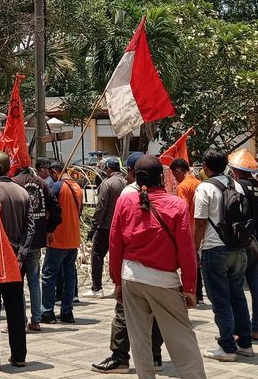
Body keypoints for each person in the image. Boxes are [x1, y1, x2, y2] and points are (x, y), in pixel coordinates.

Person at [109, 155, 206, 379]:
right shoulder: (176, 204)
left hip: (131, 277)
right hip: (164, 280)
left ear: (134, 176)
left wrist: (117, 281)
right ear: (162, 177)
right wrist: (190, 287)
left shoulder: (125, 201)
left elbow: (115, 244)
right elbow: (186, 250)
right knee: (182, 340)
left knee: (139, 341)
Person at [92, 152, 163, 375]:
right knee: (155, 313)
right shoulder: (168, 197)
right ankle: (155, 355)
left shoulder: (126, 194)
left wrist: (116, 278)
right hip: (161, 269)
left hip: (132, 269)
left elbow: (117, 237)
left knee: (123, 313)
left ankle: (119, 357)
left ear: (132, 173)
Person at [193, 149, 253, 362]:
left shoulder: (205, 187)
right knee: (237, 295)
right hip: (238, 247)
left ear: (206, 166)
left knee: (220, 299)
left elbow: (200, 221)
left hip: (214, 248)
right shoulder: (237, 185)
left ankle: (227, 346)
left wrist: (193, 248)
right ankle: (245, 342)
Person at [0, 152, 32, 369]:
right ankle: (19, 356)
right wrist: (22, 254)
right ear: (8, 168)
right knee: (15, 309)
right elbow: (30, 229)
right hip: (16, 259)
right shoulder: (23, 193)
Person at [227, 148, 258, 342]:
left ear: (236, 169)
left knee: (236, 286)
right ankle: (256, 329)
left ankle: (238, 328)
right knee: (256, 284)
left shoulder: (238, 186)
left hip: (244, 240)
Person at [13, 157, 58, 332]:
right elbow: (56, 208)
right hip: (37, 240)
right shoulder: (42, 183)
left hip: (19, 242)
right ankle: (36, 320)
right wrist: (49, 229)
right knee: (34, 280)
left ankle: (20, 320)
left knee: (18, 283)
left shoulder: (15, 184)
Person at [41, 160, 81, 324]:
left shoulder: (57, 187)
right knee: (70, 276)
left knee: (49, 276)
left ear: (54, 172)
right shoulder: (77, 187)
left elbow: (50, 210)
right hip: (73, 238)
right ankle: (67, 312)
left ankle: (47, 312)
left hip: (58, 238)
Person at [86, 157, 125, 298]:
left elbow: (100, 208)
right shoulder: (127, 183)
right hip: (122, 228)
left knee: (97, 255)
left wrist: (93, 227)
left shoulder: (107, 184)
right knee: (120, 258)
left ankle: (97, 288)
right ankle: (119, 287)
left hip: (106, 227)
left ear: (108, 169)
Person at [169, 157, 203, 303]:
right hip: (201, 228)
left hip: (188, 229)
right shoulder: (199, 183)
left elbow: (182, 208)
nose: (175, 179)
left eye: (174, 175)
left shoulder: (183, 186)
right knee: (196, 262)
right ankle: (200, 294)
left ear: (178, 171)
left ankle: (193, 292)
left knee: (189, 262)